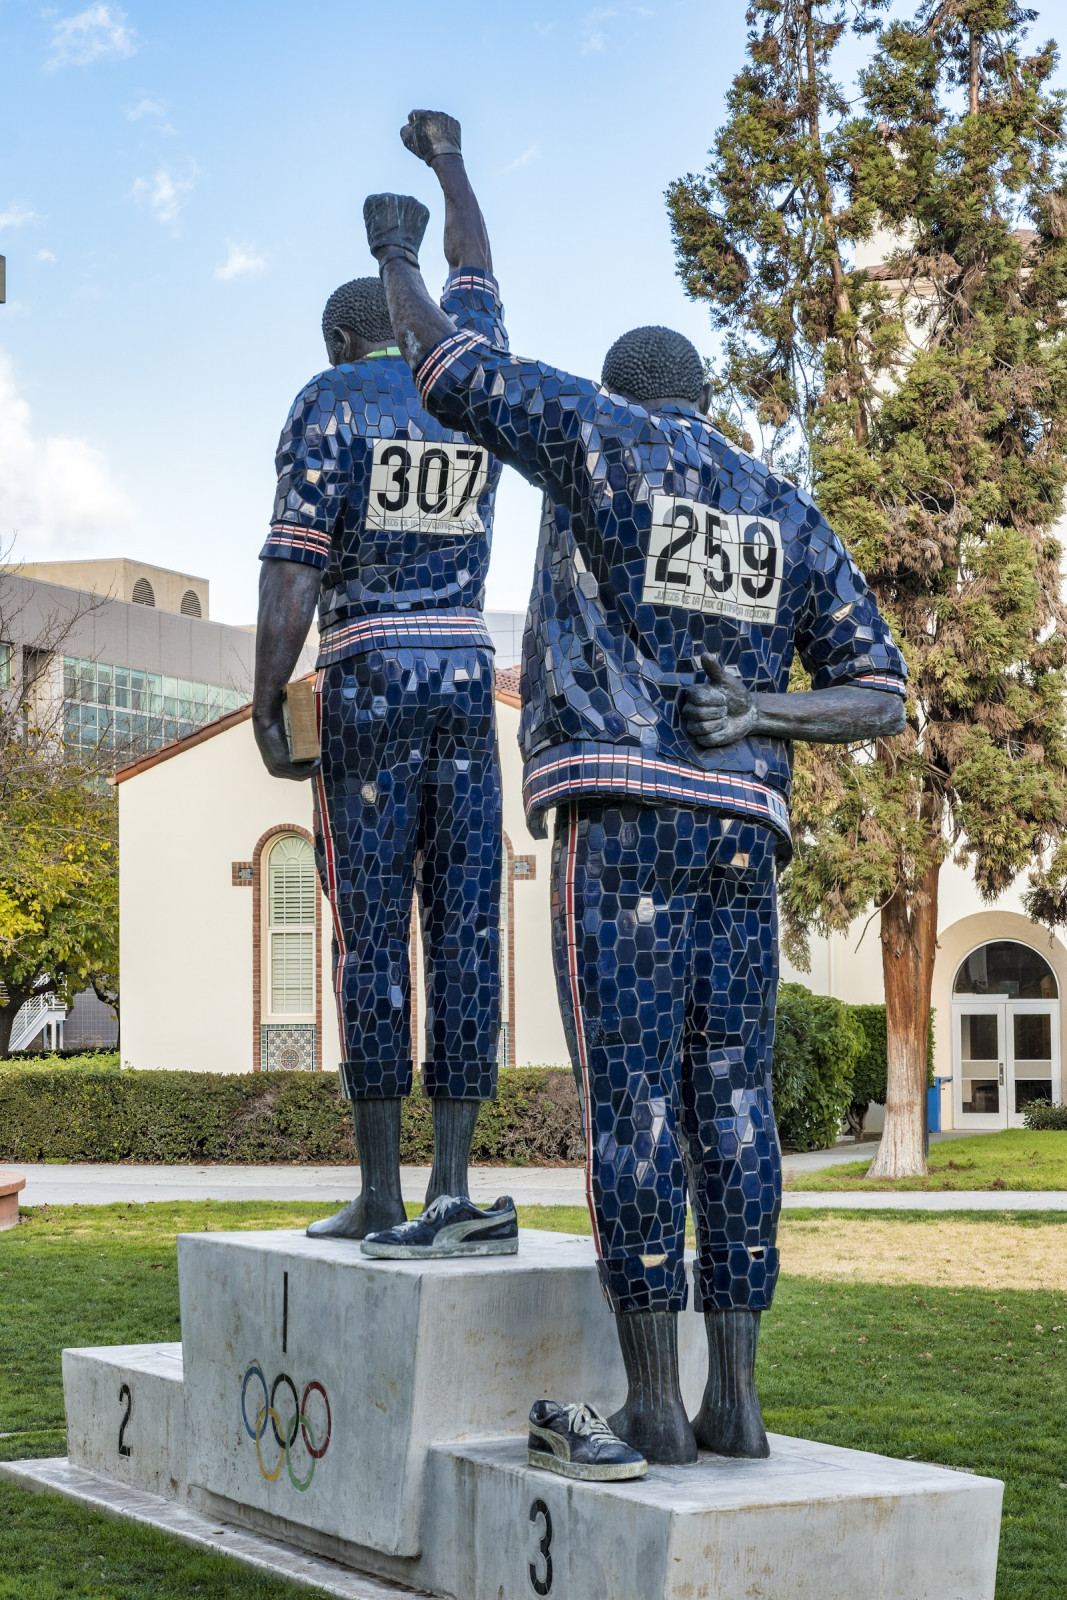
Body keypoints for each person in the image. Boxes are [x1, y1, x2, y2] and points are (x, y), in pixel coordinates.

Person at [365, 193, 907, 1461]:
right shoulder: (779, 505)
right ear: (705, 396)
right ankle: (739, 1399)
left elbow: (449, 368)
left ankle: (654, 1398)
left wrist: (398, 250)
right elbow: (879, 690)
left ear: (622, 391)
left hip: (623, 816)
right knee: (736, 1102)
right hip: (743, 833)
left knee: (633, 1105)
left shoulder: (598, 437)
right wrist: (760, 709)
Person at [253, 113, 516, 1257]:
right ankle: (453, 1185)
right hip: (463, 673)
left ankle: (378, 1189)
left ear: (335, 339)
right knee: (464, 926)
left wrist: (267, 697)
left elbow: (292, 565)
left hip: (365, 678)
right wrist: (447, 163)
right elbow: (477, 268)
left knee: (370, 934)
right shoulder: (470, 380)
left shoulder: (330, 404)